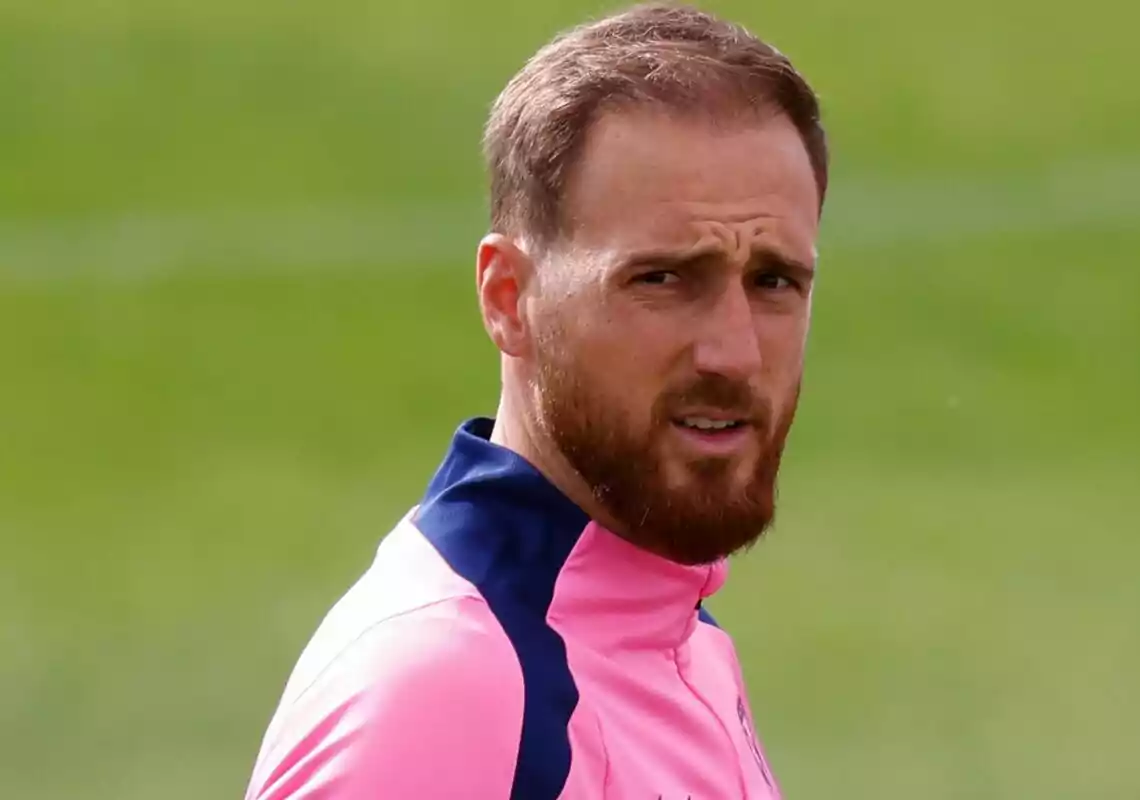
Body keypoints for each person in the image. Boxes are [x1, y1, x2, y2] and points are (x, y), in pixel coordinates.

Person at [244, 2, 828, 797]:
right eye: (660, 279)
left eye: (773, 282)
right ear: (508, 299)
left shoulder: (669, 632)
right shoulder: (447, 689)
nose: (734, 353)